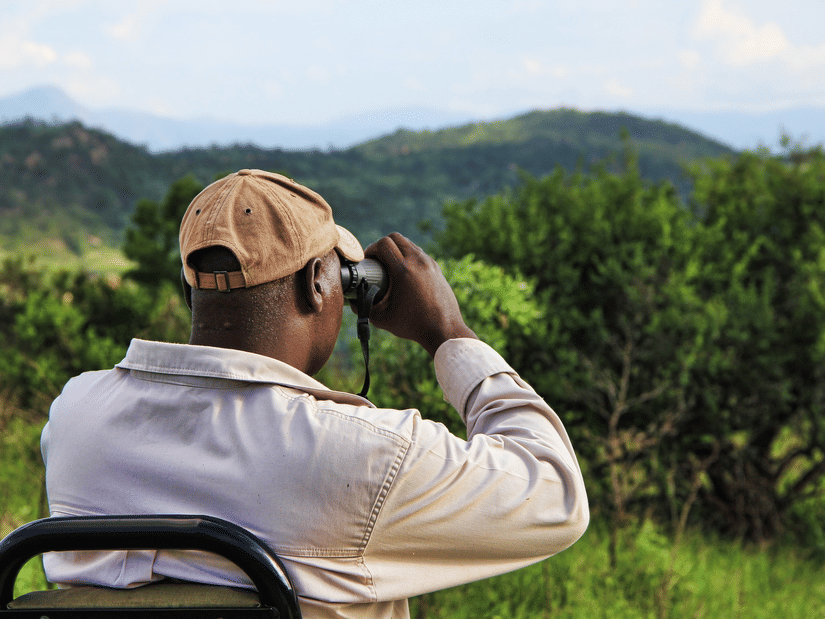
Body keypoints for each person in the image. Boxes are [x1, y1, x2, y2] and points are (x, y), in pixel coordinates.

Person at [41, 169, 589, 619]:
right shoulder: (363, 454)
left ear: (191, 291)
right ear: (317, 285)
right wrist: (449, 333)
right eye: (340, 273)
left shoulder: (75, 418)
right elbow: (556, 496)